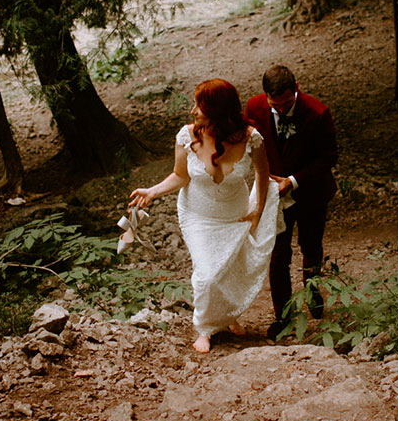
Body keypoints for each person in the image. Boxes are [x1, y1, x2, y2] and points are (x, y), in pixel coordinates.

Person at [129, 79, 283, 353]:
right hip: (197, 215)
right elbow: (180, 175)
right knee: (207, 275)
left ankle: (228, 316)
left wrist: (257, 211)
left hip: (234, 213)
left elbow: (262, 173)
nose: (192, 111)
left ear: (217, 110)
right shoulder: (187, 136)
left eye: (198, 106)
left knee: (228, 268)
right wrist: (153, 191)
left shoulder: (251, 137)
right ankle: (204, 327)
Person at [245, 65, 338, 340]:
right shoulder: (254, 108)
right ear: (265, 97)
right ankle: (282, 316)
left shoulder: (318, 112)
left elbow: (328, 157)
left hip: (311, 191)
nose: (283, 109)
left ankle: (312, 292)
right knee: (278, 255)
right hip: (275, 196)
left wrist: (294, 180)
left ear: (295, 88)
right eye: (277, 105)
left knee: (311, 246)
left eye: (288, 103)